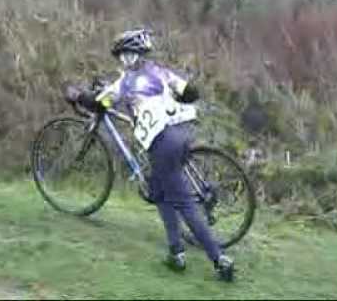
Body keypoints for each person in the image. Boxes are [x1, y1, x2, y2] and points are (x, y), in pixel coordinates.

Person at [65, 29, 235, 281]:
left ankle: (219, 260)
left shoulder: (126, 82)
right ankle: (176, 253)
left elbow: (99, 103)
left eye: (122, 56)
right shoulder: (162, 72)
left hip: (163, 143)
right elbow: (192, 93)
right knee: (159, 192)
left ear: (128, 57)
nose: (122, 61)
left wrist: (77, 95)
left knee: (184, 204)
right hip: (183, 132)